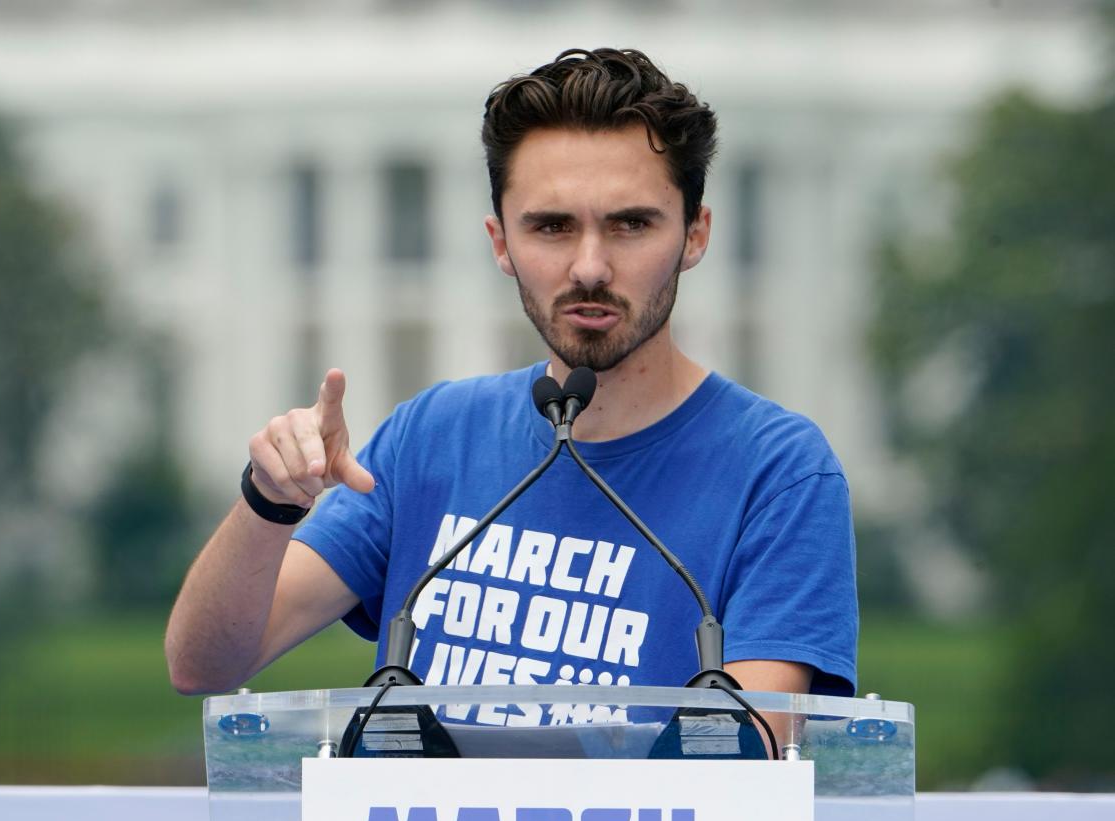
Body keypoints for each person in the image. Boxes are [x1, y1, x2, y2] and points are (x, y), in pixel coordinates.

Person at [165, 49, 857, 726]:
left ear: (695, 235)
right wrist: (269, 502)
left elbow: (743, 754)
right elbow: (203, 666)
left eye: (631, 224)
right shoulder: (434, 434)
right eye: (552, 227)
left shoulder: (778, 469)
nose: (590, 266)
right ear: (500, 244)